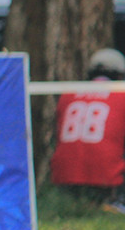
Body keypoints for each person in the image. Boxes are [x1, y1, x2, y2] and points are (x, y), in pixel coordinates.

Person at [50, 47, 125, 214]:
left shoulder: (69, 94)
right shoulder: (121, 94)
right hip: (106, 179)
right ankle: (116, 201)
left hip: (65, 178)